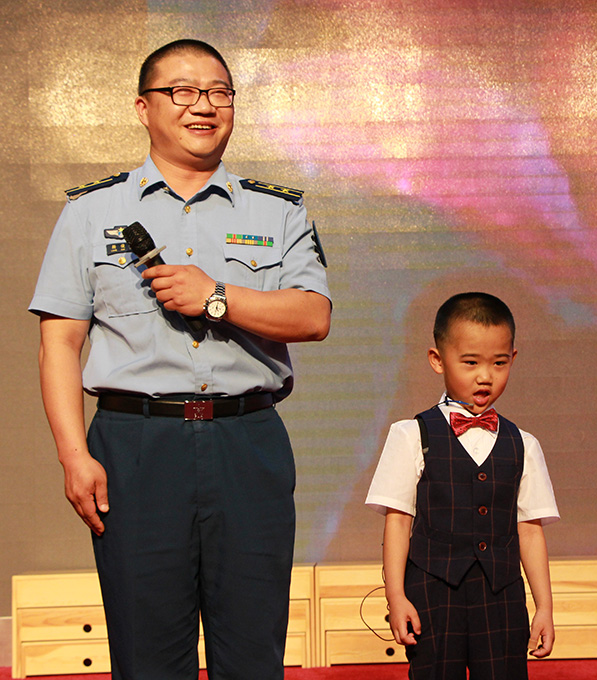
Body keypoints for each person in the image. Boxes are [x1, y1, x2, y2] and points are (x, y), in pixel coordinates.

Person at [30, 39, 332, 680]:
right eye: (183, 91)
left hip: (246, 442)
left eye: (220, 92)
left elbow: (313, 316)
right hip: (135, 447)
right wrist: (73, 456)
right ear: (144, 107)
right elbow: (59, 342)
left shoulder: (277, 209)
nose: (204, 106)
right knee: (147, 656)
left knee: (252, 654)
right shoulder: (90, 211)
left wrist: (216, 297)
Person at [365, 292, 559, 679]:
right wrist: (396, 596)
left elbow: (529, 530)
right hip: (433, 593)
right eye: (470, 363)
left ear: (513, 359)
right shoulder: (410, 434)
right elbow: (398, 522)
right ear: (437, 359)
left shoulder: (523, 443)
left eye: (499, 363)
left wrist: (544, 607)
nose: (485, 376)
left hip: (501, 596)